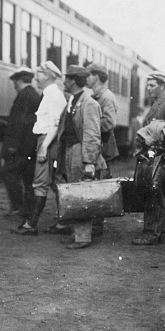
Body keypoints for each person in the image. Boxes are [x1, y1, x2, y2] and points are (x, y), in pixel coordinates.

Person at [52, 65, 107, 249]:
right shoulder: (73, 100)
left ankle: (83, 237)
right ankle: (77, 233)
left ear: (73, 81)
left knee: (81, 194)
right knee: (73, 192)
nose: (64, 82)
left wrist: (89, 162)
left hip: (79, 152)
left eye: (66, 78)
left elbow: (92, 135)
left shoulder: (89, 103)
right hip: (69, 151)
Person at [11, 61, 67, 236]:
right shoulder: (49, 94)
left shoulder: (54, 95)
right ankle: (63, 223)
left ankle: (31, 224)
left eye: (40, 73)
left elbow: (56, 125)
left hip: (47, 141)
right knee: (54, 183)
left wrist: (43, 147)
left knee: (40, 182)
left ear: (48, 76)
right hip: (45, 140)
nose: (36, 77)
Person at [131, 72, 165, 246]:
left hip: (161, 160)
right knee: (153, 192)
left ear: (163, 86)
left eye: (152, 85)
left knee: (155, 193)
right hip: (153, 158)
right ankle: (156, 232)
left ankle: (152, 234)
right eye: (147, 85)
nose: (148, 88)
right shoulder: (156, 104)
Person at [1, 66, 41, 217]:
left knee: (9, 173)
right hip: (32, 146)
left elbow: (18, 123)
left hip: (20, 147)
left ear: (18, 80)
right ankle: (28, 210)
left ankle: (18, 207)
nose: (13, 85)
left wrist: (11, 147)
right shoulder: (35, 95)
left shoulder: (23, 96)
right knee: (28, 180)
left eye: (14, 81)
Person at [86, 63, 118, 237]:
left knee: (99, 187)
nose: (86, 78)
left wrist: (89, 130)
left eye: (89, 75)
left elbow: (109, 123)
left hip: (104, 149)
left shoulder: (106, 97)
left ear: (96, 76)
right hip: (99, 148)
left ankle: (97, 227)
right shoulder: (97, 95)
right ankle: (94, 224)